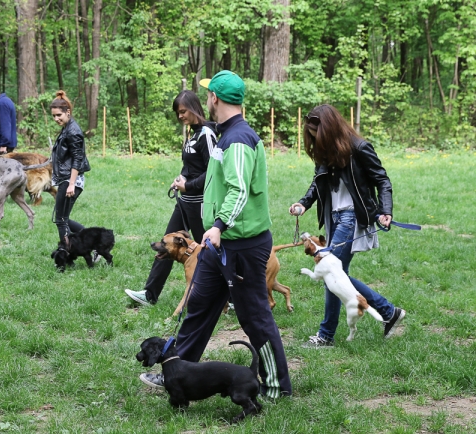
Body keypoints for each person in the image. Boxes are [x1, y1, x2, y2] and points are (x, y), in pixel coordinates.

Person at [139, 71, 292, 400]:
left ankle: (278, 385)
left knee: (255, 317)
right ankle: (176, 372)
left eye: (208, 94)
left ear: (215, 100)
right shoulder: (226, 134)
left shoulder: (237, 139)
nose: (206, 98)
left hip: (241, 244)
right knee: (199, 306)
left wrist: (219, 225)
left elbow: (238, 190)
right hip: (219, 245)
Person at [289, 104, 406, 348]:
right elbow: (317, 183)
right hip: (334, 218)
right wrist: (303, 203)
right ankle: (388, 312)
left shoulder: (359, 148)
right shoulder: (325, 151)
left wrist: (385, 210)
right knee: (338, 274)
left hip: (352, 216)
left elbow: (382, 180)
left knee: (332, 272)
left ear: (330, 130)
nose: (316, 143)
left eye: (318, 137)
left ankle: (325, 336)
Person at [125, 90, 217, 307]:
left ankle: (230, 297)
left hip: (201, 206)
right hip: (184, 203)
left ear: (195, 108)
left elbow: (214, 172)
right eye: (178, 112)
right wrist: (181, 178)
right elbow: (190, 166)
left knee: (210, 251)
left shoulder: (206, 134)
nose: (180, 116)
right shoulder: (191, 134)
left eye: (183, 111)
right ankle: (149, 294)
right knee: (166, 245)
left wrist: (189, 185)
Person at [50, 90, 91, 242]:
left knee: (61, 220)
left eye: (58, 115)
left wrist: (71, 184)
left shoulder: (73, 131)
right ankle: (94, 242)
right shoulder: (67, 128)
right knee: (62, 219)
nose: (56, 118)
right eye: (53, 115)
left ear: (68, 112)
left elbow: (78, 158)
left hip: (70, 180)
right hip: (66, 179)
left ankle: (67, 255)